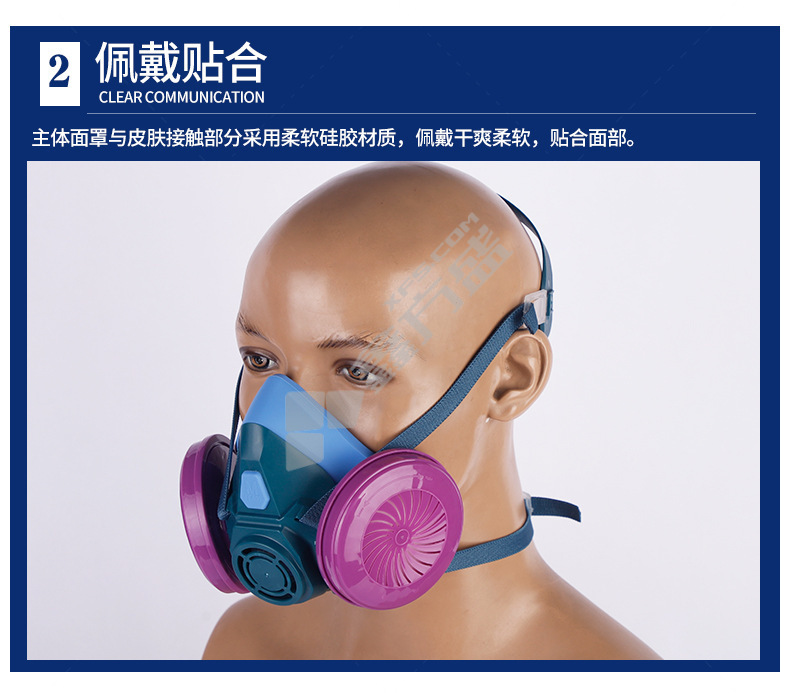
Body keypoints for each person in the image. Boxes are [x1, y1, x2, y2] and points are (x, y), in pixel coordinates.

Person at [200, 161, 660, 659]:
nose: (283, 422)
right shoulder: (243, 646)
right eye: (260, 360)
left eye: (357, 372)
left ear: (512, 379)